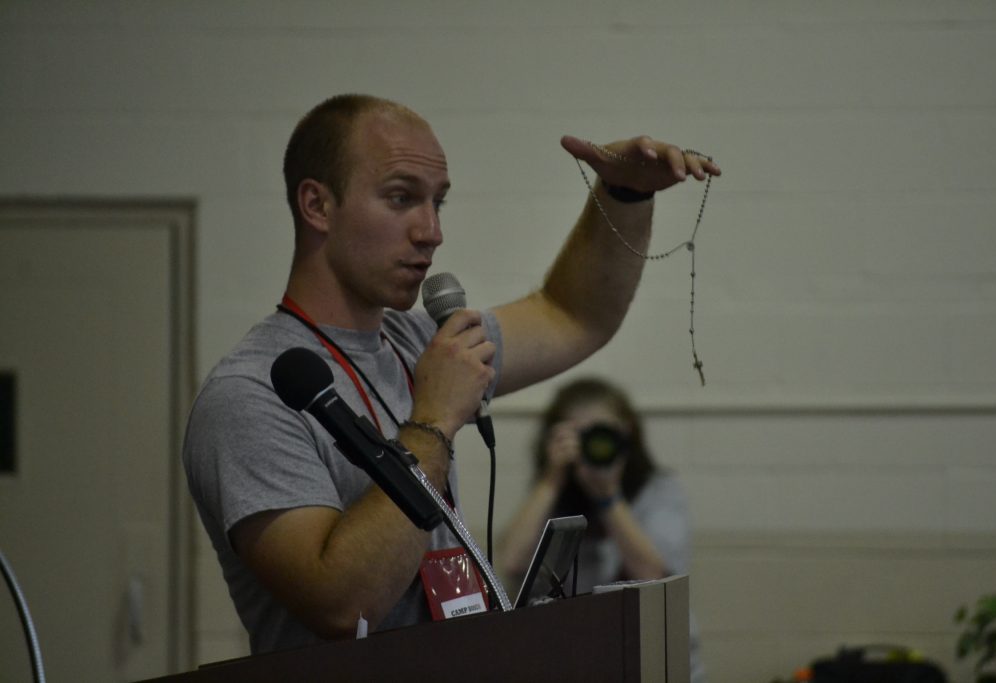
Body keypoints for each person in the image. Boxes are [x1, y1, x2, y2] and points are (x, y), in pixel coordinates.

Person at [182, 93, 721, 654]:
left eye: (437, 202)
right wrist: (435, 420)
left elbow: (574, 315)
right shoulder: (250, 395)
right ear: (317, 205)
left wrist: (624, 193)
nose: (431, 230)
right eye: (400, 199)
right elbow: (341, 606)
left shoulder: (418, 341)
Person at [497, 377, 706, 682]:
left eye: (602, 433)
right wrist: (551, 479)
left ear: (627, 435)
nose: (592, 445)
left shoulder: (659, 491)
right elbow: (511, 563)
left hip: (654, 663)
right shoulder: (552, 497)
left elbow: (654, 576)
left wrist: (608, 497)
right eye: (579, 435)